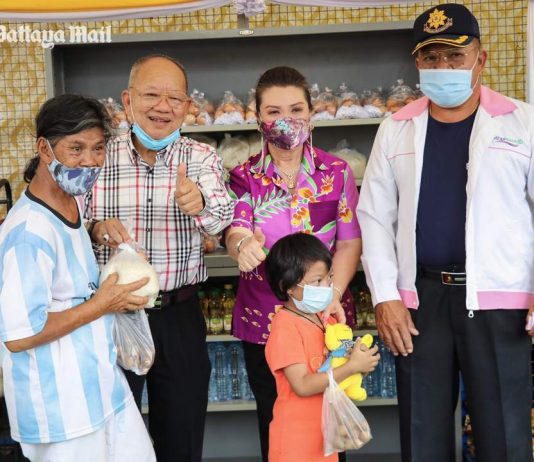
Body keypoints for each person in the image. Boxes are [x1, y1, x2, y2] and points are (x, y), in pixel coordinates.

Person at [357, 4, 534, 461]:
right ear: (417, 63)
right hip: (420, 302)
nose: (444, 67)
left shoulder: (522, 121)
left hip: (500, 300)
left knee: (505, 434)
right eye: (431, 58)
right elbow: (373, 217)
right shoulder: (395, 129)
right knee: (423, 435)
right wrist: (385, 296)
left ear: (481, 58)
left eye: (456, 56)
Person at [84, 54, 234, 462]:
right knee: (112, 438)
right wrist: (95, 227)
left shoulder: (200, 158)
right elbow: (72, 220)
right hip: (110, 315)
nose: (162, 107)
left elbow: (223, 215)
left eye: (174, 98)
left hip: (178, 316)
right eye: (151, 95)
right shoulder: (99, 155)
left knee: (182, 435)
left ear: (188, 106)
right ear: (127, 100)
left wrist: (199, 201)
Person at [0, 94, 155, 462]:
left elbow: (65, 242)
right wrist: (103, 304)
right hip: (61, 409)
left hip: (100, 386)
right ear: (45, 149)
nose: (90, 160)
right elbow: (19, 336)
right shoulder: (26, 234)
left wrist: (94, 228)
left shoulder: (71, 200)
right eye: (76, 148)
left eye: (98, 148)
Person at [225, 66, 362, 461]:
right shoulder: (244, 176)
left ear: (311, 114)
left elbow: (349, 243)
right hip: (266, 323)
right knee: (278, 421)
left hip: (326, 318)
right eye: (273, 111)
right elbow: (237, 230)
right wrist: (242, 246)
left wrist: (332, 295)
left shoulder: (336, 172)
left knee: (330, 421)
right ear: (258, 119)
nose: (286, 120)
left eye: (296, 109)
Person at [264, 232, 379, 462]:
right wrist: (351, 367)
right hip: (295, 444)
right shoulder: (285, 326)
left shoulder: (323, 317)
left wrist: (358, 362)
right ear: (287, 287)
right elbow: (303, 385)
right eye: (317, 281)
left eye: (329, 277)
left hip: (326, 436)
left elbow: (337, 364)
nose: (327, 286)